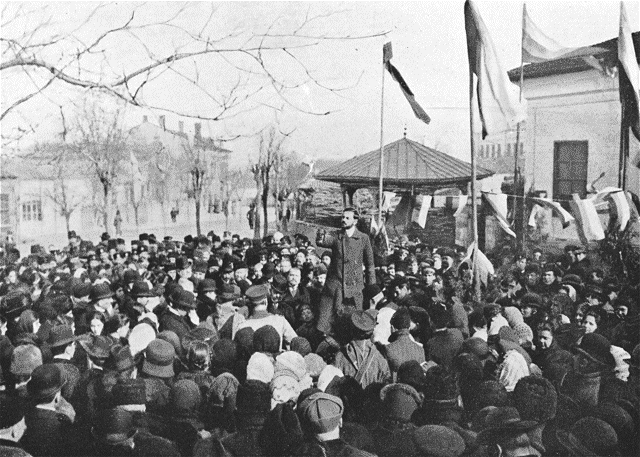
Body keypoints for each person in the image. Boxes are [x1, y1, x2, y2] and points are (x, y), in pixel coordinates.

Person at [316, 208, 376, 337]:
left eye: (347, 218)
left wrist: (371, 285)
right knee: (326, 322)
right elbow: (321, 242)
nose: (343, 220)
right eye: (342, 217)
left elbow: (370, 263)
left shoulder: (363, 238)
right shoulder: (336, 236)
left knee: (355, 322)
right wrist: (320, 233)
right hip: (334, 285)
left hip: (354, 288)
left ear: (355, 221)